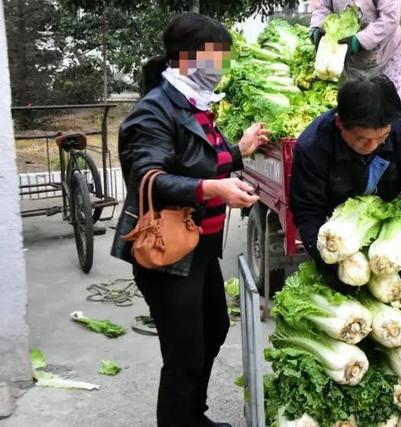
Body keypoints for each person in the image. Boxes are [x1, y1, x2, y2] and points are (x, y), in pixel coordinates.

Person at [111, 13, 269, 427]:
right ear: (186, 60)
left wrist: (239, 150)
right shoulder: (154, 111)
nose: (222, 70)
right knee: (184, 355)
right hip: (168, 254)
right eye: (217, 60)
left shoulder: (193, 103)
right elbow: (149, 177)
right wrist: (212, 190)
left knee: (213, 330)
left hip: (199, 248)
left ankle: (193, 417)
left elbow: (199, 159)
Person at [290, 73, 401, 292]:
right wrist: (325, 261)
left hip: (387, 229)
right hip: (338, 235)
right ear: (340, 124)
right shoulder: (313, 146)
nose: (372, 146)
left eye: (381, 137)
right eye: (361, 139)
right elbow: (307, 211)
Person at [309, 0, 401, 101]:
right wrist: (317, 28)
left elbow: (390, 18)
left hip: (385, 55)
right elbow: (322, 7)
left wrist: (360, 41)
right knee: (356, 109)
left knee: (388, 107)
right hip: (350, 58)